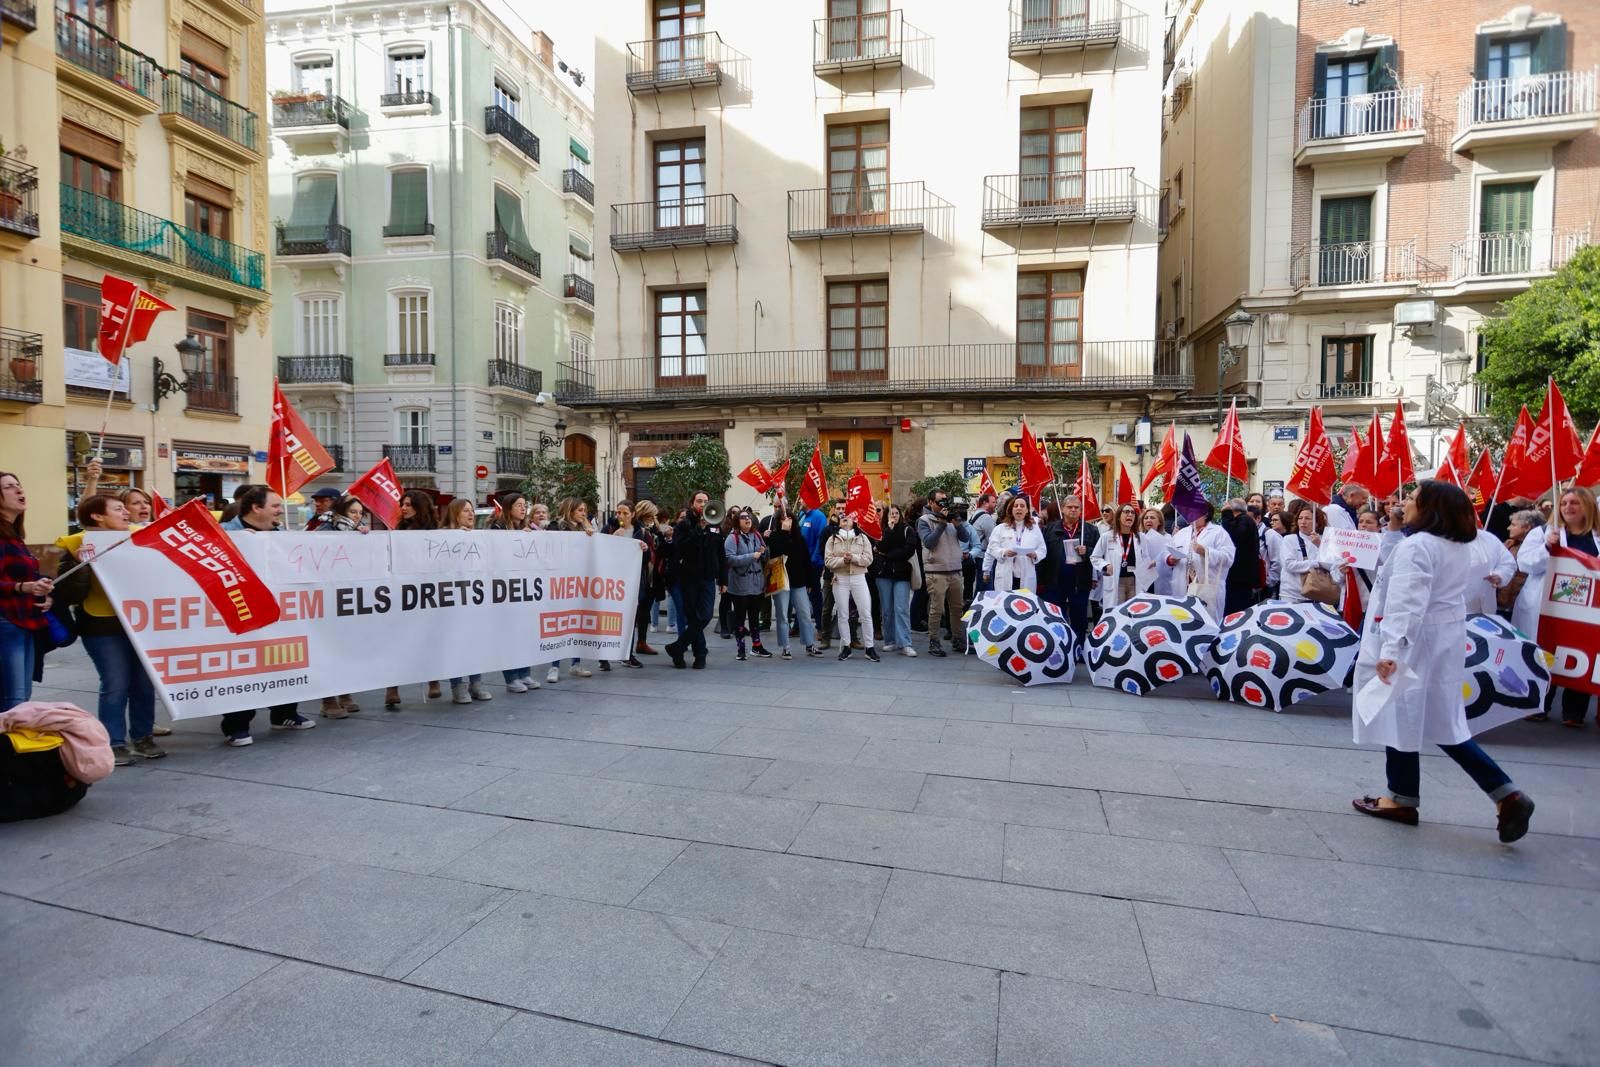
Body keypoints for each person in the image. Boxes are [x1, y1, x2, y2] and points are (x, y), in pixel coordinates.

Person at [1351, 481, 1535, 843]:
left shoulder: (1418, 546)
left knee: (1402, 711)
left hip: (1415, 641)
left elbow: (1406, 601)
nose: (1405, 502)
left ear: (1430, 508)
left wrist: (1392, 650)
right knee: (1440, 720)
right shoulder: (1456, 546)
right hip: (1443, 639)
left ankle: (1401, 797)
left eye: (1413, 499)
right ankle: (1504, 792)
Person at [53, 495, 160, 765]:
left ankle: (143, 737)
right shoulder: (78, 542)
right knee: (115, 684)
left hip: (142, 624)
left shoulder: (142, 536)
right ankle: (114, 743)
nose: (126, 513)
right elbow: (69, 594)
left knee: (144, 685)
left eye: (126, 509)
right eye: (118, 509)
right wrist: (82, 566)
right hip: (101, 625)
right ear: (97, 517)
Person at [220, 487, 314, 744]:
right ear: (256, 508)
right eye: (275, 506)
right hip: (242, 611)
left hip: (279, 611)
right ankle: (236, 724)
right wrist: (237, 541)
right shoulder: (226, 531)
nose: (280, 511)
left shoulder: (281, 534)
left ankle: (284, 713)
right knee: (244, 666)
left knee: (284, 659)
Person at [1514, 487, 1599, 728]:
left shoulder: (1597, 536)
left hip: (1584, 610)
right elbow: (1525, 563)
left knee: (1580, 652)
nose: (1568, 507)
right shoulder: (1543, 533)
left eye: (1575, 503)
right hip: (1547, 606)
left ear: (1588, 507)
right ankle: (1539, 705)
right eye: (1564, 503)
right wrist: (1546, 549)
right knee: (1545, 651)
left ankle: (1575, 712)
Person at [384, 490, 444, 709]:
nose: (404, 508)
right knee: (399, 641)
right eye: (403, 504)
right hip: (402, 594)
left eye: (409, 504)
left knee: (428, 637)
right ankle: (392, 687)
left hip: (427, 593)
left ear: (420, 507)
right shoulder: (397, 531)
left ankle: (433, 679)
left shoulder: (435, 533)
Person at [0, 473, 52, 711]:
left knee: (22, 694)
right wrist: (24, 587)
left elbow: (28, 577)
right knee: (13, 697)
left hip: (24, 620)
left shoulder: (15, 535)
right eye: (10, 487)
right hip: (5, 621)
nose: (19, 490)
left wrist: (43, 592)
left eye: (19, 485)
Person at [314, 495, 366, 717]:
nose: (357, 516)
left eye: (360, 513)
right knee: (329, 649)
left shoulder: (356, 532)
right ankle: (328, 700)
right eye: (353, 512)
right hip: (327, 599)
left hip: (348, 598)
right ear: (342, 512)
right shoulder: (325, 529)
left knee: (347, 648)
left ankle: (345, 693)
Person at [441, 499, 495, 704]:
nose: (471, 514)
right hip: (454, 601)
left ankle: (476, 683)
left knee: (476, 642)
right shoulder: (444, 536)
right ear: (455, 514)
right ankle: (457, 685)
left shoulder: (479, 536)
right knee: (457, 643)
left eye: (472, 511)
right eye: (465, 511)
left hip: (476, 599)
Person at [667, 491, 719, 669]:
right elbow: (681, 549)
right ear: (692, 504)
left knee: (705, 615)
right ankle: (700, 654)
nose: (703, 504)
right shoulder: (683, 525)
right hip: (688, 577)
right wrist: (699, 531)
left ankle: (678, 647)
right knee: (692, 616)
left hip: (707, 576)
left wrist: (724, 578)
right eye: (699, 501)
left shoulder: (715, 523)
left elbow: (719, 552)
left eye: (705, 501)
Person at [916, 490, 970, 657]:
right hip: (936, 571)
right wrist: (941, 524)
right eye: (940, 502)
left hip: (955, 569)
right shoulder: (924, 521)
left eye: (945, 501)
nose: (943, 505)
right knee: (936, 608)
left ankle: (957, 639)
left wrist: (956, 522)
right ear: (931, 502)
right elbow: (929, 542)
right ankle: (934, 641)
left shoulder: (952, 519)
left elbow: (966, 538)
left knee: (957, 608)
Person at [1165, 500, 1234, 621]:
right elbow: (1166, 552)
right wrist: (1170, 559)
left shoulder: (1219, 532)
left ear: (1206, 514)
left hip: (1207, 587)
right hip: (1182, 586)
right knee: (1182, 620)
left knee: (1207, 621)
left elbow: (1228, 558)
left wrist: (1206, 551)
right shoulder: (1181, 533)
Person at [825, 510, 878, 661]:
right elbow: (828, 561)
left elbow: (868, 559)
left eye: (847, 516)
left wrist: (853, 558)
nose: (844, 518)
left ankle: (870, 647)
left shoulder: (862, 537)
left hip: (859, 577)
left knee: (865, 613)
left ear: (854, 520)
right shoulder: (832, 539)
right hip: (840, 578)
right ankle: (846, 646)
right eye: (841, 517)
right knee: (843, 614)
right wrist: (843, 561)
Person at [768, 506, 820, 657]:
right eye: (783, 519)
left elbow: (806, 561)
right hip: (781, 581)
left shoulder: (799, 538)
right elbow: (778, 552)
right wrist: (784, 533)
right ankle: (785, 646)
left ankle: (809, 644)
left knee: (804, 613)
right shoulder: (775, 536)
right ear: (779, 522)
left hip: (798, 582)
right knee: (782, 615)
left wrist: (809, 582)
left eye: (789, 518)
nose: (787, 521)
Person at [723, 508, 771, 661]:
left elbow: (764, 555)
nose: (747, 519)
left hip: (756, 584)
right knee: (740, 618)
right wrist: (752, 556)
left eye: (749, 517)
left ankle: (757, 646)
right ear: (737, 521)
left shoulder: (757, 535)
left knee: (754, 617)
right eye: (743, 517)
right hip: (739, 585)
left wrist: (764, 552)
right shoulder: (732, 538)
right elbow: (730, 559)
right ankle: (741, 648)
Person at [1052, 495, 1099, 647]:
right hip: (1056, 582)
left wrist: (1088, 550)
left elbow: (1100, 555)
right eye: (1069, 507)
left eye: (1076, 507)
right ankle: (1060, 648)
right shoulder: (1051, 529)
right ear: (1063, 509)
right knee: (1057, 617)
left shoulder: (1091, 530)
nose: (1073, 510)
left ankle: (1078, 648)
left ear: (1081, 510)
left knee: (1079, 618)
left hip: (1081, 581)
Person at [1091, 503, 1158, 607]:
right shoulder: (1107, 537)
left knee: (1134, 613)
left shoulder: (1141, 537)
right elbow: (1095, 557)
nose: (1130, 515)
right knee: (1117, 614)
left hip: (1135, 581)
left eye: (1132, 513)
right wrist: (1105, 566)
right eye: (1126, 512)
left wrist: (1150, 564)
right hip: (1117, 581)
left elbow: (1145, 557)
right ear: (1118, 517)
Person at [873, 504, 916, 656]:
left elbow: (908, 550)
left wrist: (889, 554)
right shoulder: (882, 530)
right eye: (891, 513)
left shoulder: (907, 530)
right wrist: (889, 532)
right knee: (887, 610)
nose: (894, 516)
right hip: (884, 574)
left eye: (897, 513)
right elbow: (880, 547)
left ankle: (905, 642)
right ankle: (890, 641)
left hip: (901, 575)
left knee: (901, 609)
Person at [985, 494, 1046, 593]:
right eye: (1016, 506)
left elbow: (1042, 549)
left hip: (1026, 575)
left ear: (1027, 511)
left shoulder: (1034, 529)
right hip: (1006, 575)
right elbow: (992, 548)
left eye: (1022, 506)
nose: (1019, 508)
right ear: (1011, 510)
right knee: (1006, 604)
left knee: (1024, 605)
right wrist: (1004, 552)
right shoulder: (1000, 528)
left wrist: (1035, 555)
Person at [1463, 512, 1517, 618]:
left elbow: (1507, 563)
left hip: (1487, 611)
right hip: (1454, 613)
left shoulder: (1488, 538)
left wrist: (1499, 576)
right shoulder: (1439, 541)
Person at [1278, 499, 1330, 606]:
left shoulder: (1324, 540)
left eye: (1307, 518)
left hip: (1318, 595)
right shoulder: (1289, 539)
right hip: (1292, 595)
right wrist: (1316, 563)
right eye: (1300, 518)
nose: (1303, 521)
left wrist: (1319, 545)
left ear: (1316, 522)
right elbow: (1289, 565)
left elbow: (1331, 565)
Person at [1219, 500, 1261, 615]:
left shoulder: (1243, 521)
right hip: (1240, 577)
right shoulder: (1245, 521)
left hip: (1240, 578)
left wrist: (1226, 515)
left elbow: (1233, 536)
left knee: (1235, 612)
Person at [1498, 509, 1541, 620]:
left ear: (1526, 527)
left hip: (1522, 609)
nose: (1508, 528)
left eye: (1513, 524)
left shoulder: (1539, 551)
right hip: (1499, 606)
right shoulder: (1508, 544)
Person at [966, 492, 998, 601]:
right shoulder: (986, 518)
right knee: (985, 589)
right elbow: (993, 540)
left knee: (980, 587)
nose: (995, 505)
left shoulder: (974, 515)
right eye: (993, 502)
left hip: (975, 555)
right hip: (983, 557)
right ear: (985, 503)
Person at [1140, 508, 1177, 596]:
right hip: (1143, 579)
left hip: (1161, 580)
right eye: (1146, 518)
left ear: (1159, 522)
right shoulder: (1138, 537)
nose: (1149, 520)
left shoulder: (1167, 538)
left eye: (1152, 518)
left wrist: (1157, 561)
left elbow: (1171, 556)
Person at [1251, 504, 1282, 601]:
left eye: (1248, 518)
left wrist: (1267, 583)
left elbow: (1278, 562)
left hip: (1264, 589)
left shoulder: (1271, 535)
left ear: (1258, 518)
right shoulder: (1248, 533)